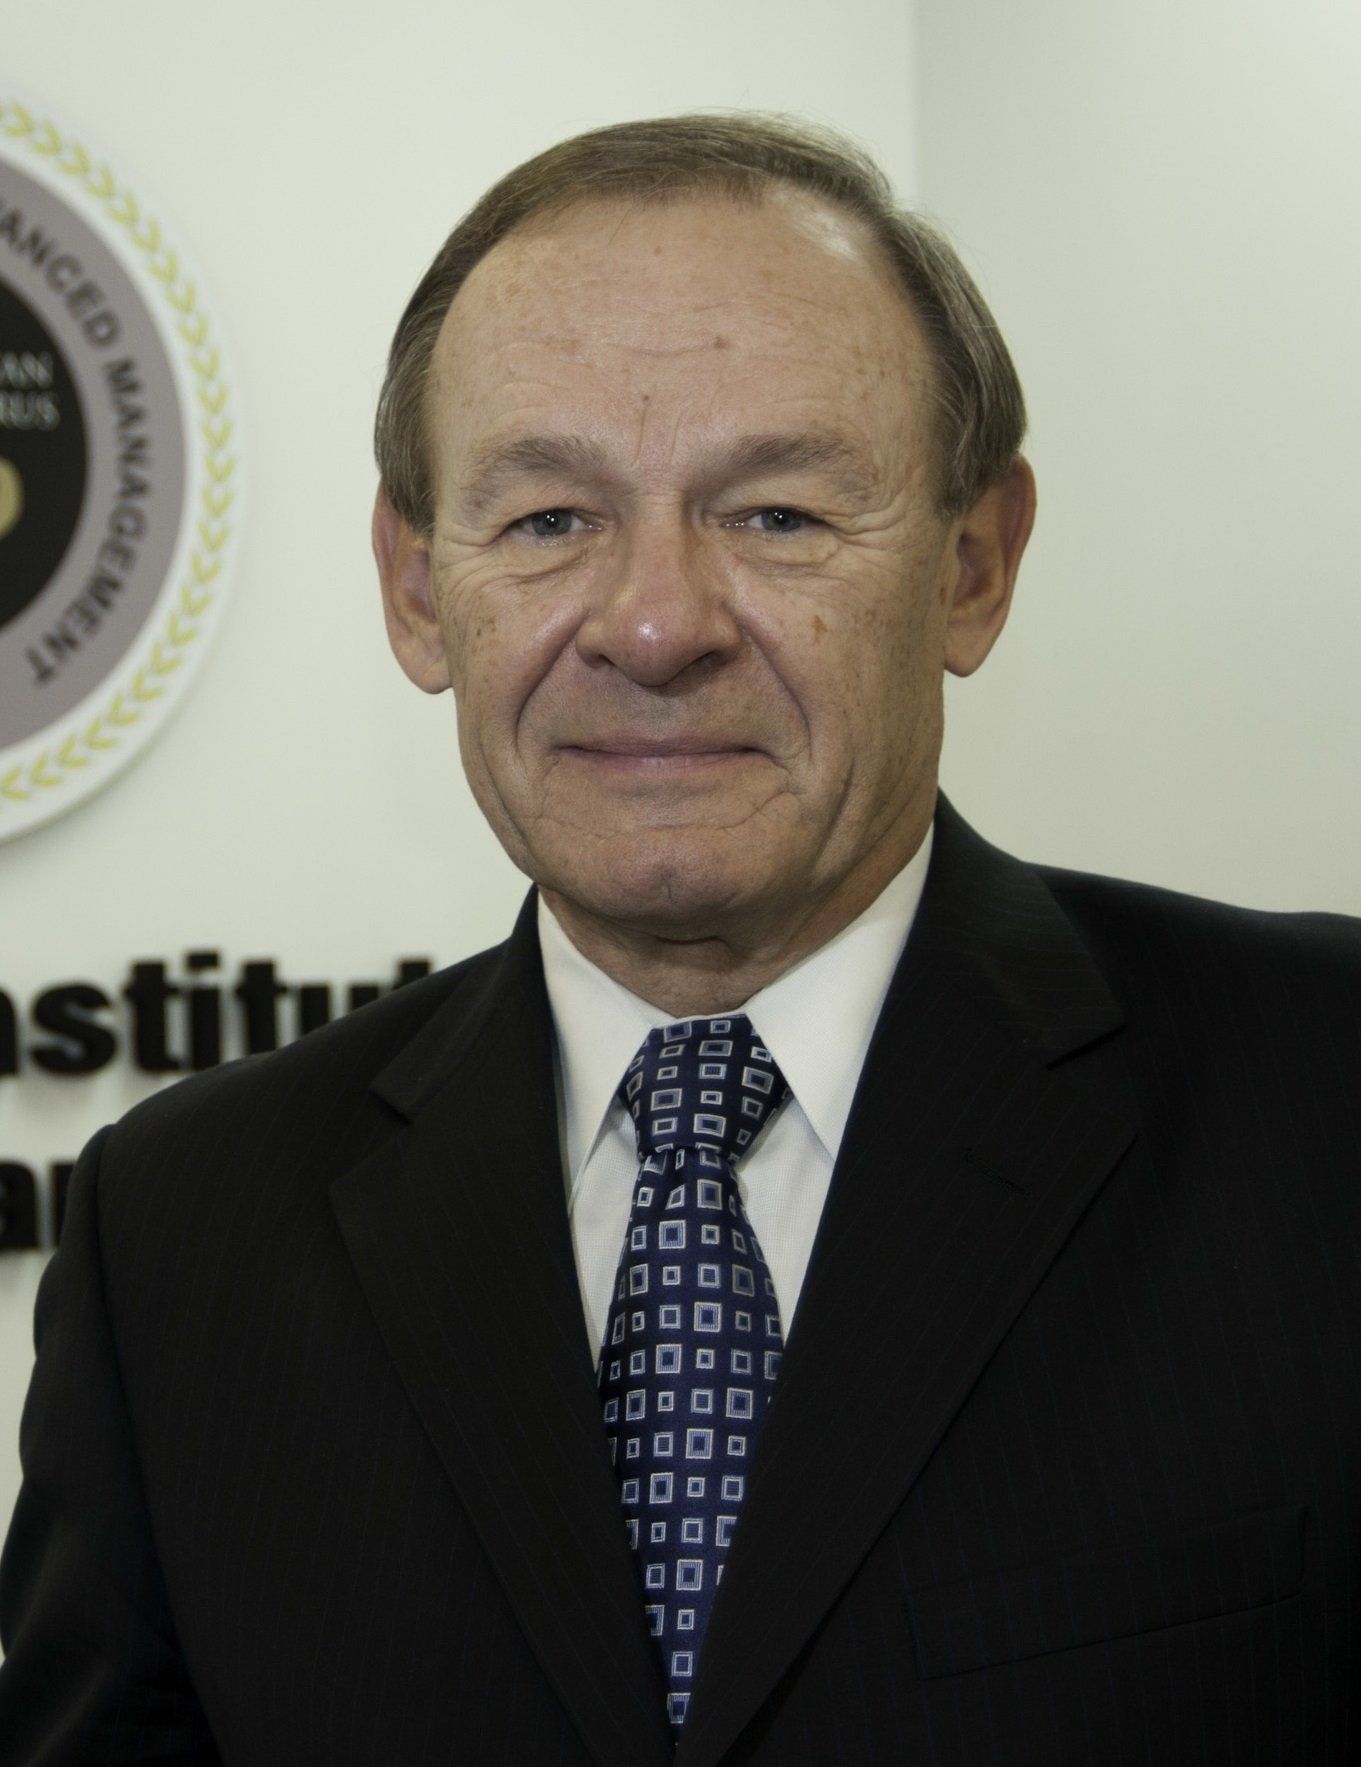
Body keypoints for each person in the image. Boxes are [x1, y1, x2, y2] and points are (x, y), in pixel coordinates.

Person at [0, 112, 1357, 1767]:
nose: (653, 625)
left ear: (973, 566)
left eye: (776, 513)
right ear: (419, 591)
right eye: (548, 519)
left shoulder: (1323, 1100)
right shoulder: (182, 1236)